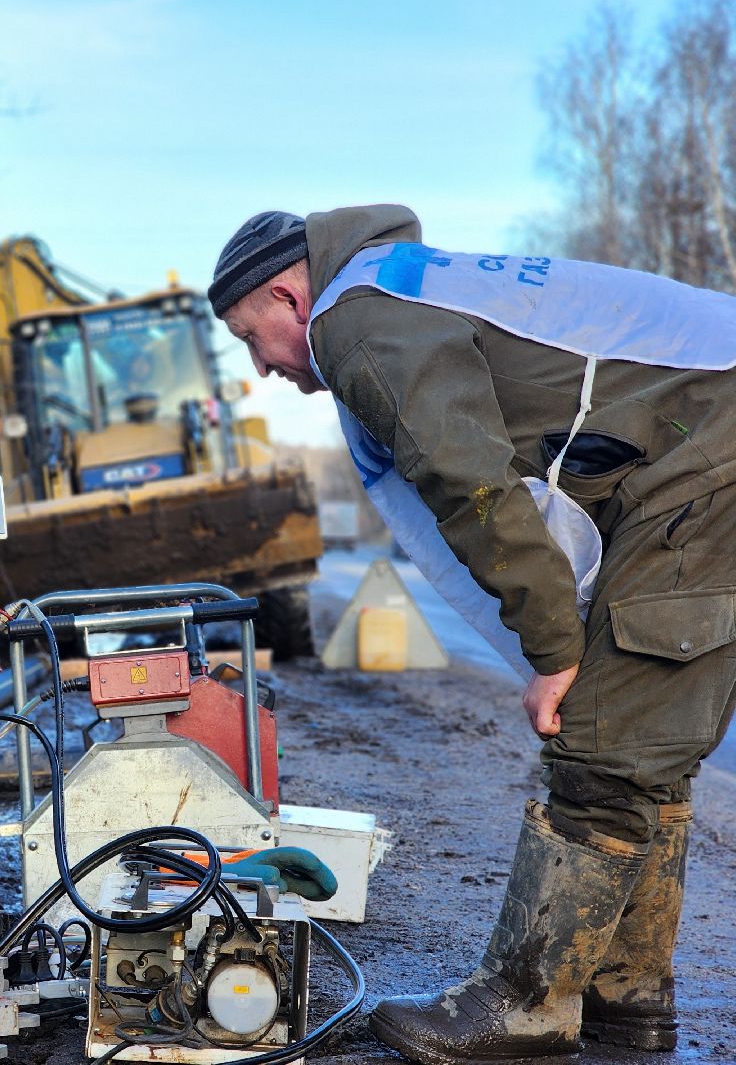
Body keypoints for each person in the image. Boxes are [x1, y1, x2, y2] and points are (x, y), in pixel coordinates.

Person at [208, 205, 736, 1063]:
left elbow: (471, 484)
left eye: (249, 337)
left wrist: (554, 651)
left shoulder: (357, 320)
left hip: (709, 461)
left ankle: (527, 1004)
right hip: (704, 446)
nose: (260, 366)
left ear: (289, 297)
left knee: (601, 748)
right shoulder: (402, 285)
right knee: (645, 743)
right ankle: (627, 997)